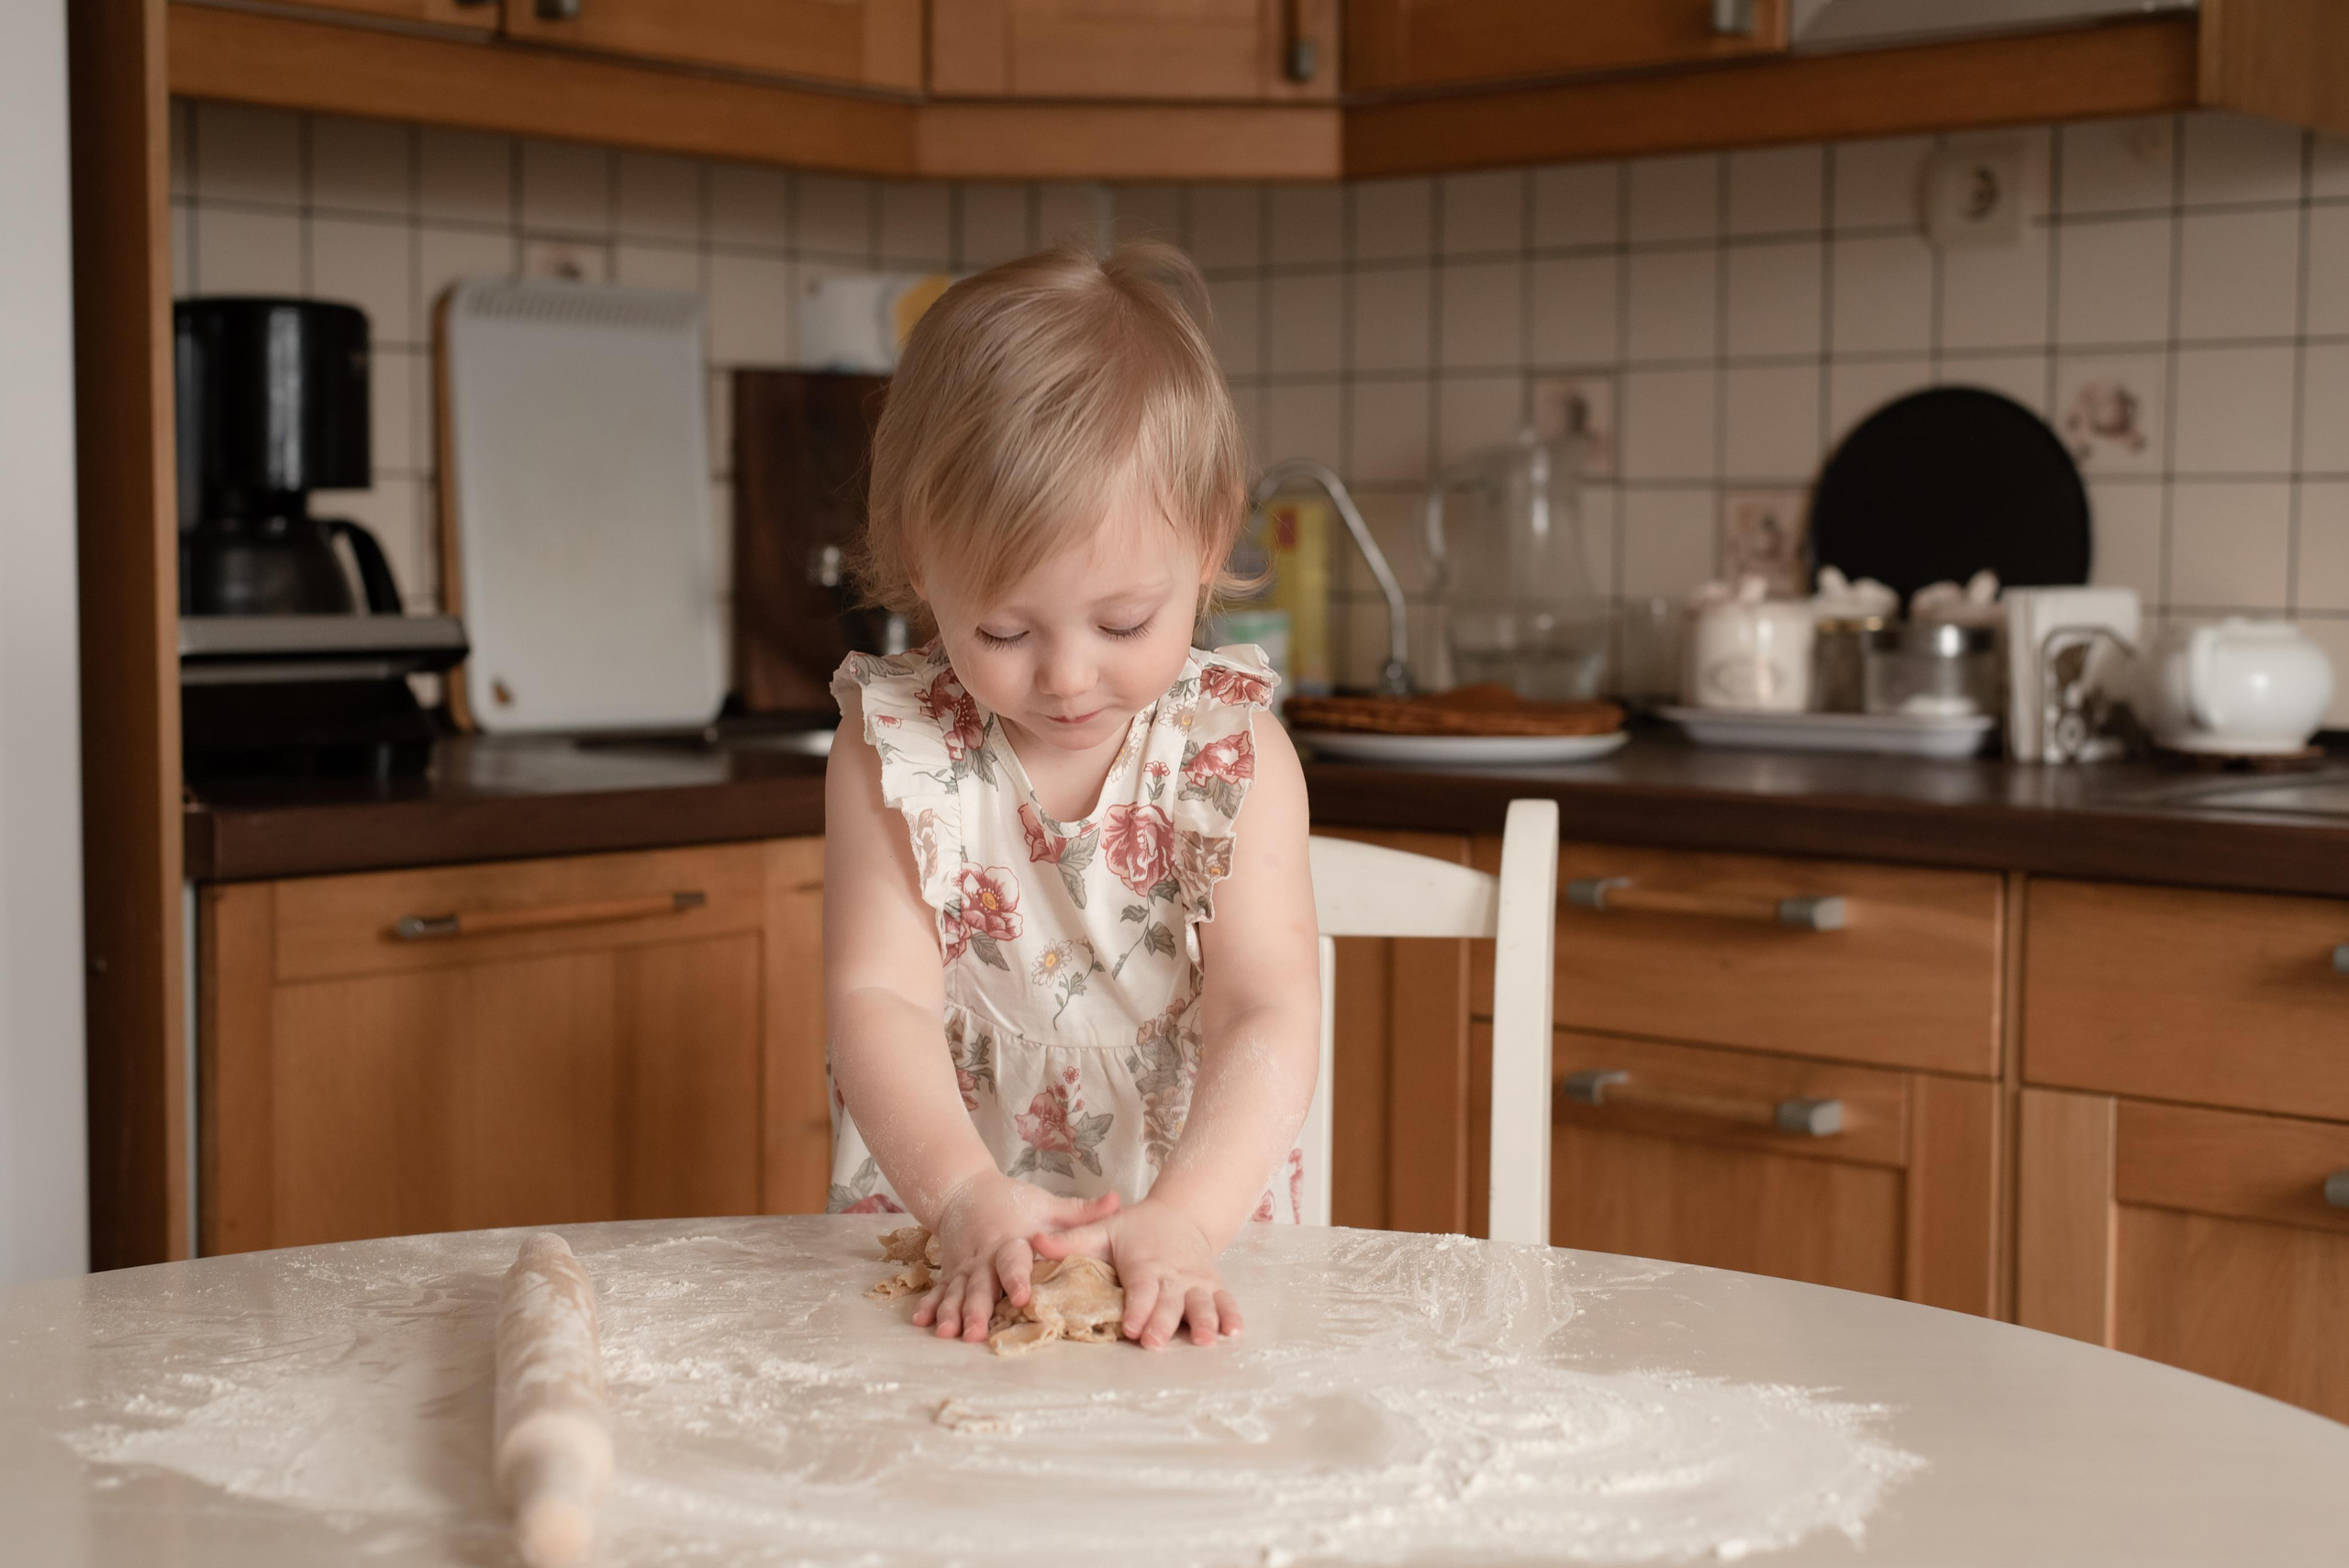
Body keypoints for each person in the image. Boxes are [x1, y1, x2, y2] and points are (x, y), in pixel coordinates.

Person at [823, 241, 1319, 1352]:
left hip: (1192, 1259)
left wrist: (1186, 1220)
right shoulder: (889, 754)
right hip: (942, 1252)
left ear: (1207, 536)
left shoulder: (1232, 753)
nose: (1065, 675)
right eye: (1003, 630)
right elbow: (878, 999)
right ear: (919, 559)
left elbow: (1265, 1011)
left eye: (1123, 623)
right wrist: (958, 1195)